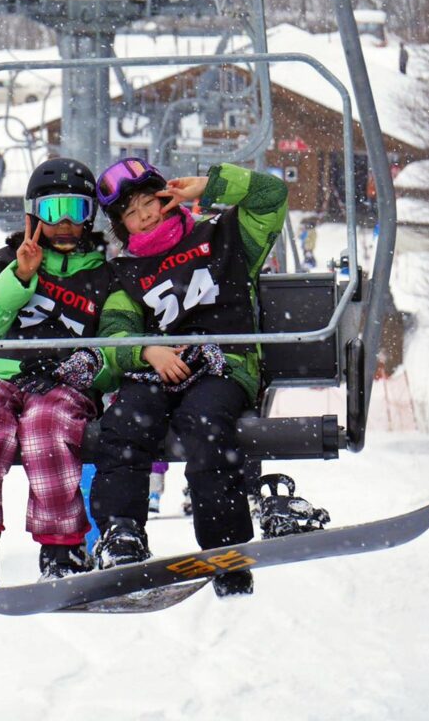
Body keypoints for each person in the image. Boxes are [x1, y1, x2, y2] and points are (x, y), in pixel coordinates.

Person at [88, 157, 290, 598]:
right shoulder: (126, 274)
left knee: (206, 425)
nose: (145, 216)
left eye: (149, 202)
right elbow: (113, 332)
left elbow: (272, 196)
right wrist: (146, 349)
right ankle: (122, 532)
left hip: (223, 361)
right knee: (126, 420)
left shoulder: (224, 236)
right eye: (131, 213)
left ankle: (224, 547)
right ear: (122, 226)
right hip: (162, 366)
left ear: (167, 196)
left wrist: (211, 185)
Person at [0, 157, 116, 594]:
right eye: (55, 212)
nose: (66, 225)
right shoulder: (7, 260)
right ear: (34, 213)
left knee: (45, 430)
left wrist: (83, 368)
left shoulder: (106, 276)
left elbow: (117, 344)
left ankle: (62, 549)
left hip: (64, 382)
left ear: (91, 215)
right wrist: (20, 276)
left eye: (77, 211)